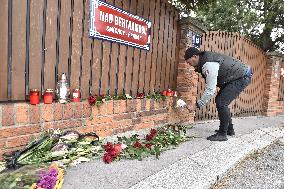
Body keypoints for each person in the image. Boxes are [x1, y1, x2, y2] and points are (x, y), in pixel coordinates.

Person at [184, 47, 253, 141]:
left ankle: (222, 134)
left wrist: (197, 105)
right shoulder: (206, 60)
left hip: (241, 77)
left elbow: (210, 90)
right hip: (236, 77)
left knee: (221, 103)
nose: (189, 65)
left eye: (189, 62)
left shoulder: (208, 64)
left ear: (195, 56)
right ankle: (229, 130)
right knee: (221, 101)